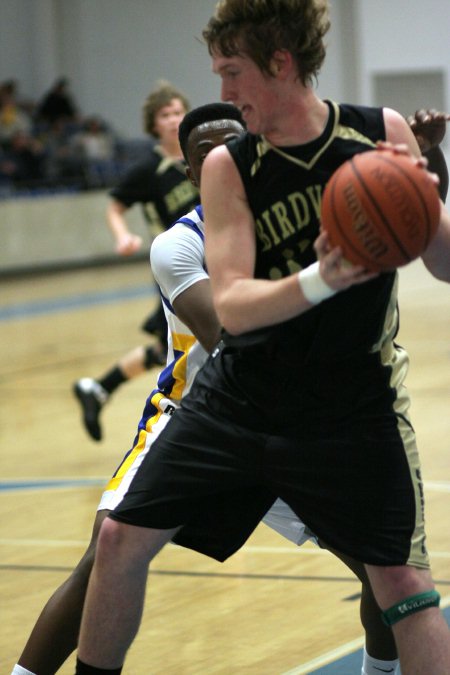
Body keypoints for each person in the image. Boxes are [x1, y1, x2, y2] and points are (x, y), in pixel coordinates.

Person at [74, 2, 450, 673]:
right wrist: (323, 277)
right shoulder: (230, 166)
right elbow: (236, 308)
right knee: (119, 537)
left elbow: (445, 264)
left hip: (350, 403)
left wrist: (427, 199)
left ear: (281, 63)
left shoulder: (376, 132)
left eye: (231, 71)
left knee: (402, 583)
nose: (221, 92)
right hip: (240, 399)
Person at [12, 102, 405, 675]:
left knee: (384, 571)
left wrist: (420, 162)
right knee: (105, 552)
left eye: (234, 147)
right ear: (194, 174)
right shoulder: (178, 245)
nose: (226, 160)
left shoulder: (298, 219)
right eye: (208, 156)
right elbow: (231, 333)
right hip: (200, 417)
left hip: (292, 421)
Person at [73, 81, 199, 441]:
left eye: (178, 111)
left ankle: (98, 389)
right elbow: (115, 207)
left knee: (171, 347)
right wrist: (122, 236)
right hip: (175, 268)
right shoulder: (148, 169)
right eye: (165, 115)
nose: (174, 119)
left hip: (211, 259)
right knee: (183, 348)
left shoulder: (202, 156)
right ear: (153, 124)